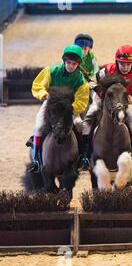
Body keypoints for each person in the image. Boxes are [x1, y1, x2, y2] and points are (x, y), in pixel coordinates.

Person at [79, 45, 132, 170]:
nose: (125, 67)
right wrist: (101, 91)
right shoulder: (107, 70)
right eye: (122, 64)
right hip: (101, 101)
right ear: (116, 62)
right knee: (87, 122)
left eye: (129, 64)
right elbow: (91, 81)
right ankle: (85, 156)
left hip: (120, 104)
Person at [27, 45, 90, 173]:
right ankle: (36, 161)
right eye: (68, 62)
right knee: (39, 126)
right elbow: (38, 85)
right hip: (51, 105)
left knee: (79, 125)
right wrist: (44, 95)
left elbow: (82, 100)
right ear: (64, 61)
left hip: (69, 108)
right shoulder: (51, 70)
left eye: (74, 63)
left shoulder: (81, 80)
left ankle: (82, 157)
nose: (71, 66)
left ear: (78, 64)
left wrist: (70, 108)